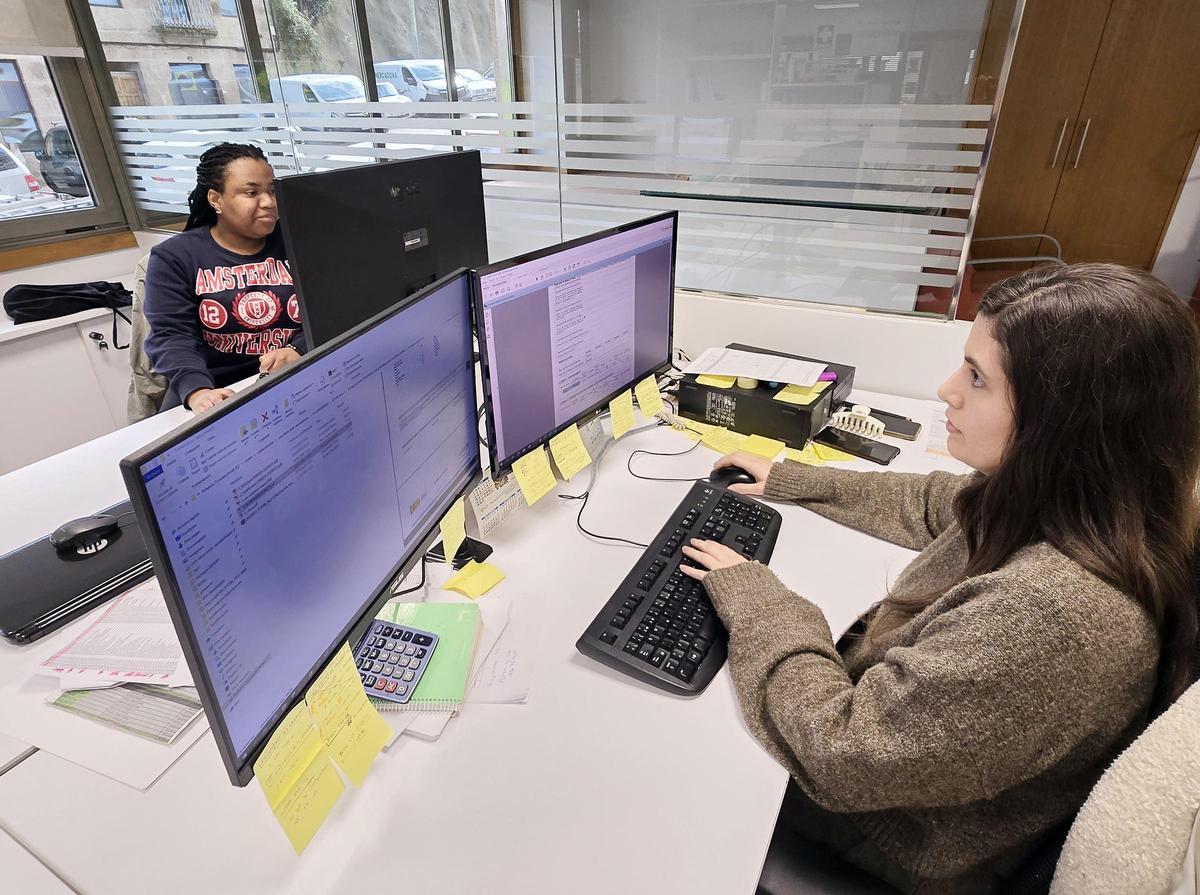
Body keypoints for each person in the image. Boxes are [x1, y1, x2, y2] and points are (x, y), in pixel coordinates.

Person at [680, 264, 1200, 893]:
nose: (947, 389)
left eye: (978, 378)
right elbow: (943, 504)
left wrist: (760, 599)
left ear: (1067, 421)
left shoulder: (1054, 614)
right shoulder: (1102, 506)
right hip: (909, 770)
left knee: (664, 741)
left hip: (890, 833)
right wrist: (794, 481)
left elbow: (840, 749)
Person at [144, 142, 304, 413]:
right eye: (251, 193)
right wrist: (197, 391)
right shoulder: (174, 257)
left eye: (272, 191)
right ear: (216, 199)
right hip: (217, 391)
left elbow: (331, 306)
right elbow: (171, 335)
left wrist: (300, 348)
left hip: (290, 378)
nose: (269, 202)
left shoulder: (297, 241)